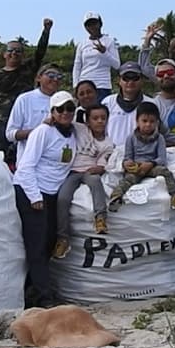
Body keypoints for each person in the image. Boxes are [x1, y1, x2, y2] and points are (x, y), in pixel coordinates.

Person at [12, 91, 78, 307]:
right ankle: (44, 297)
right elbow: (26, 166)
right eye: (60, 109)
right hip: (32, 191)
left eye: (69, 108)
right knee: (37, 244)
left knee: (51, 241)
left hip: (53, 194)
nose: (66, 113)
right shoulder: (42, 132)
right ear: (53, 112)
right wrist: (34, 196)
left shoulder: (74, 133)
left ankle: (30, 288)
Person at [0, 19, 53, 161]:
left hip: (24, 123)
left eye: (18, 51)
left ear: (23, 55)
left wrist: (46, 31)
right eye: (11, 50)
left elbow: (40, 53)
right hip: (1, 122)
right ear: (4, 54)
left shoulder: (28, 69)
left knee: (23, 158)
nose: (14, 53)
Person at [54, 103, 115, 257]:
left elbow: (103, 163)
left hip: (90, 171)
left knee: (96, 183)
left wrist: (98, 169)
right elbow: (64, 119)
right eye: (95, 118)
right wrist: (49, 119)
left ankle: (100, 218)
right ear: (87, 121)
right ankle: (63, 237)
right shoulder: (80, 129)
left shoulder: (108, 143)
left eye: (103, 118)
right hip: (73, 172)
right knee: (62, 198)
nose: (100, 121)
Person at [108, 101, 175, 211]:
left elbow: (162, 159)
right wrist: (127, 164)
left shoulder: (159, 138)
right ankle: (116, 197)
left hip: (152, 166)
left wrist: (150, 164)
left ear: (157, 123)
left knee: (166, 172)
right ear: (137, 121)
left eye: (152, 121)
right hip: (137, 167)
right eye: (144, 121)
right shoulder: (131, 138)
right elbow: (128, 156)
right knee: (128, 179)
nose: (148, 124)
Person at [7, 63, 65, 162]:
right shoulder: (25, 99)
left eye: (59, 77)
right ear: (38, 78)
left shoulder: (64, 101)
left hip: (55, 164)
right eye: (51, 75)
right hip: (28, 161)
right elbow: (10, 134)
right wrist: (39, 131)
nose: (55, 79)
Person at [102, 61, 155, 147]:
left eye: (135, 78)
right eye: (126, 78)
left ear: (142, 80)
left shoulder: (151, 103)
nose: (130, 82)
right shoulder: (107, 102)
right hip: (111, 153)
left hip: (140, 154)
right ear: (119, 81)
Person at [73, 12, 120, 100]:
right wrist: (76, 85)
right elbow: (77, 66)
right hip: (85, 84)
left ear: (100, 24)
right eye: (89, 25)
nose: (92, 27)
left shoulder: (109, 42)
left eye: (94, 23)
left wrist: (105, 52)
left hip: (102, 85)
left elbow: (117, 65)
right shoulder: (82, 44)